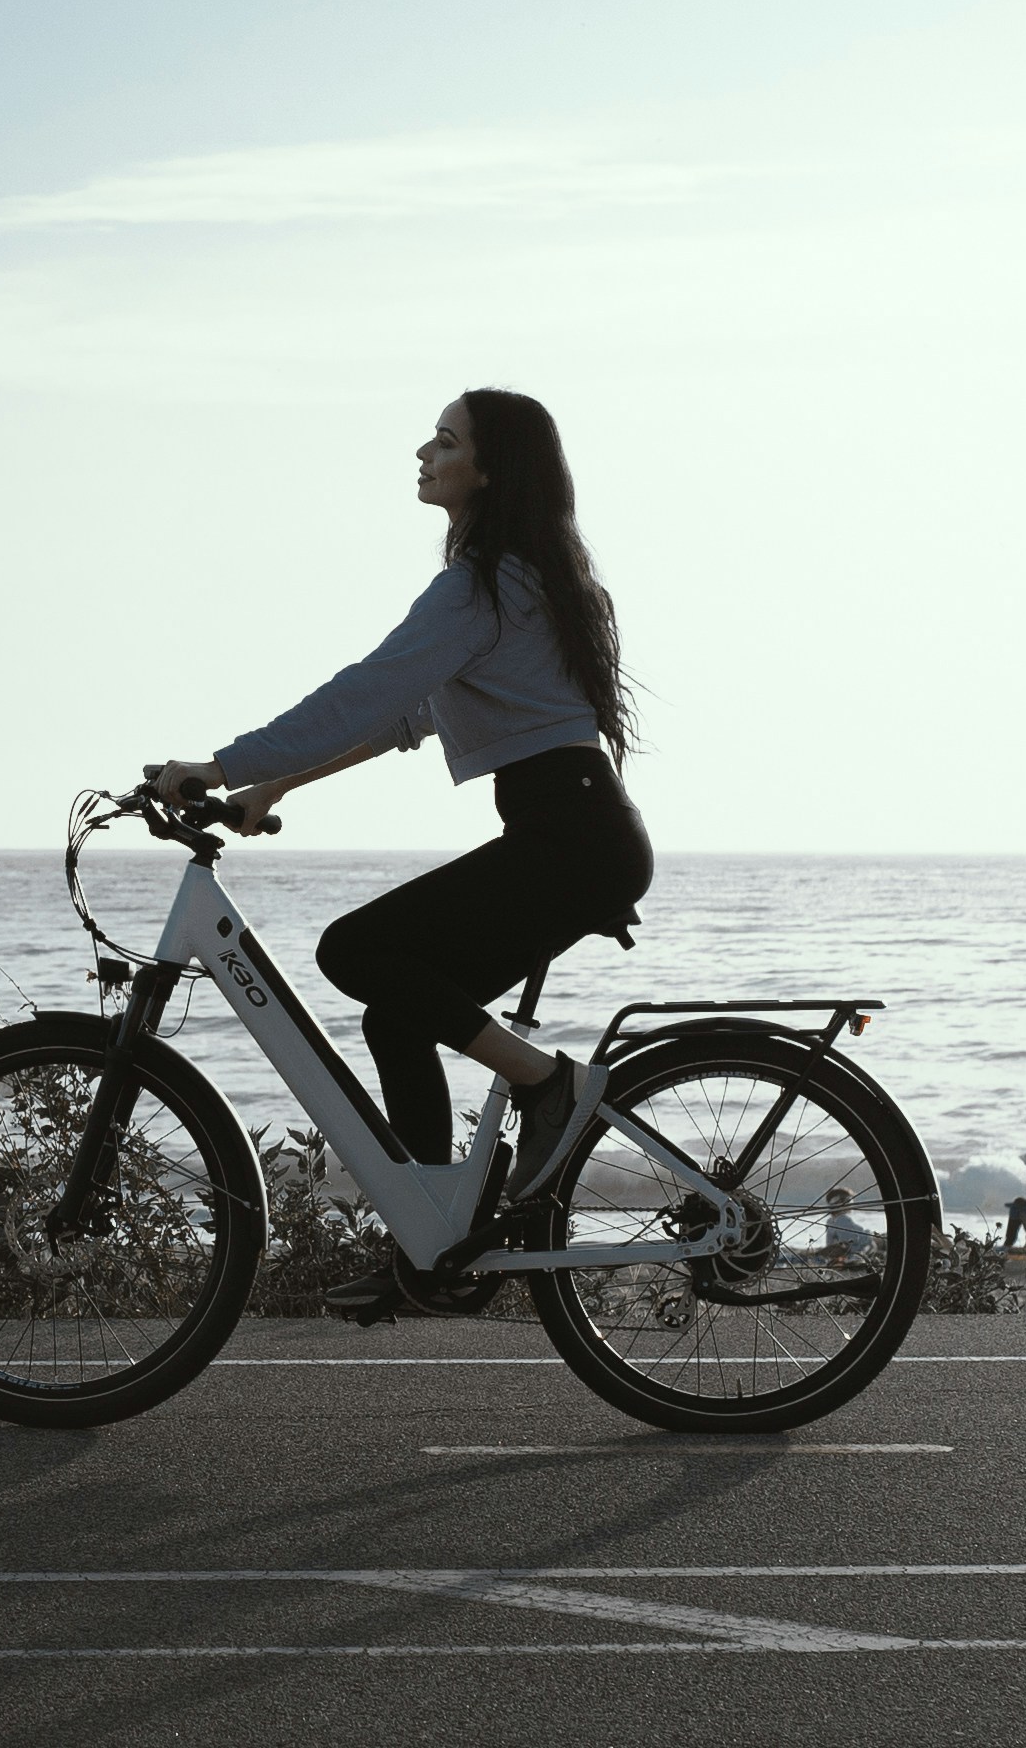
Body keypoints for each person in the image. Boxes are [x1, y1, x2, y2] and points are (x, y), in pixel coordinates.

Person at [145, 389, 651, 1320]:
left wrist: (219, 763)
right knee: (397, 1010)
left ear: (488, 470)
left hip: (570, 838)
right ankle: (434, 1239)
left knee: (354, 953)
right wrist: (279, 786)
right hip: (578, 833)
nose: (424, 451)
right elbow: (412, 712)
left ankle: (549, 1086)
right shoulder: (518, 581)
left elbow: (364, 690)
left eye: (446, 441)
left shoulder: (483, 583)